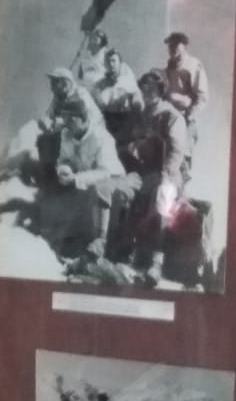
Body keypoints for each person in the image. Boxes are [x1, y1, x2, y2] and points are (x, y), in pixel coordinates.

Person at [119, 69, 189, 285]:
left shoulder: (171, 116)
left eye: (152, 87)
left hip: (169, 173)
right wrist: (131, 148)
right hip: (145, 172)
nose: (147, 91)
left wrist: (166, 175)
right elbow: (128, 143)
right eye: (144, 86)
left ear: (161, 89)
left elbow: (176, 152)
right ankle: (128, 251)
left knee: (161, 195)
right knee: (124, 192)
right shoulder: (141, 116)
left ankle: (156, 262)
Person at [46, 88, 131, 265]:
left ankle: (101, 241)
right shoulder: (66, 134)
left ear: (83, 118)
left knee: (99, 187)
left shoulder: (102, 137)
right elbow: (63, 159)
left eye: (71, 118)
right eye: (64, 117)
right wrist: (64, 170)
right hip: (84, 181)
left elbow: (104, 172)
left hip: (114, 181)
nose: (66, 122)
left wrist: (76, 179)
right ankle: (66, 243)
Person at [86, 47, 141, 137]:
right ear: (105, 64)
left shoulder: (128, 81)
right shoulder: (99, 85)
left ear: (120, 63)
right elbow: (93, 106)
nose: (111, 64)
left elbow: (137, 100)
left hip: (125, 122)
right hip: (106, 124)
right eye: (108, 62)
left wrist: (135, 101)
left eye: (113, 61)